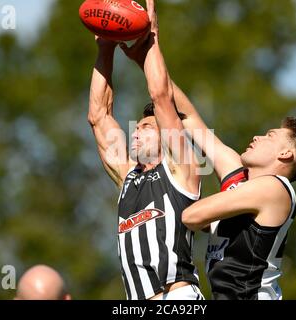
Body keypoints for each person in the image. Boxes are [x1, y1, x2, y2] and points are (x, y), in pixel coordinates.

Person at [120, 2, 296, 300]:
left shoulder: (276, 189)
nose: (257, 136)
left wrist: (193, 204)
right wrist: (149, 50)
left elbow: (191, 215)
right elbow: (189, 118)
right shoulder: (240, 181)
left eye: (269, 135)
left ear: (286, 155)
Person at [87, 0, 203, 300]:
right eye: (137, 127)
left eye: (147, 127)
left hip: (178, 297)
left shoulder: (181, 169)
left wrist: (151, 38)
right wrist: (105, 46)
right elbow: (99, 116)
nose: (136, 131)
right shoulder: (128, 176)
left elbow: (161, 97)